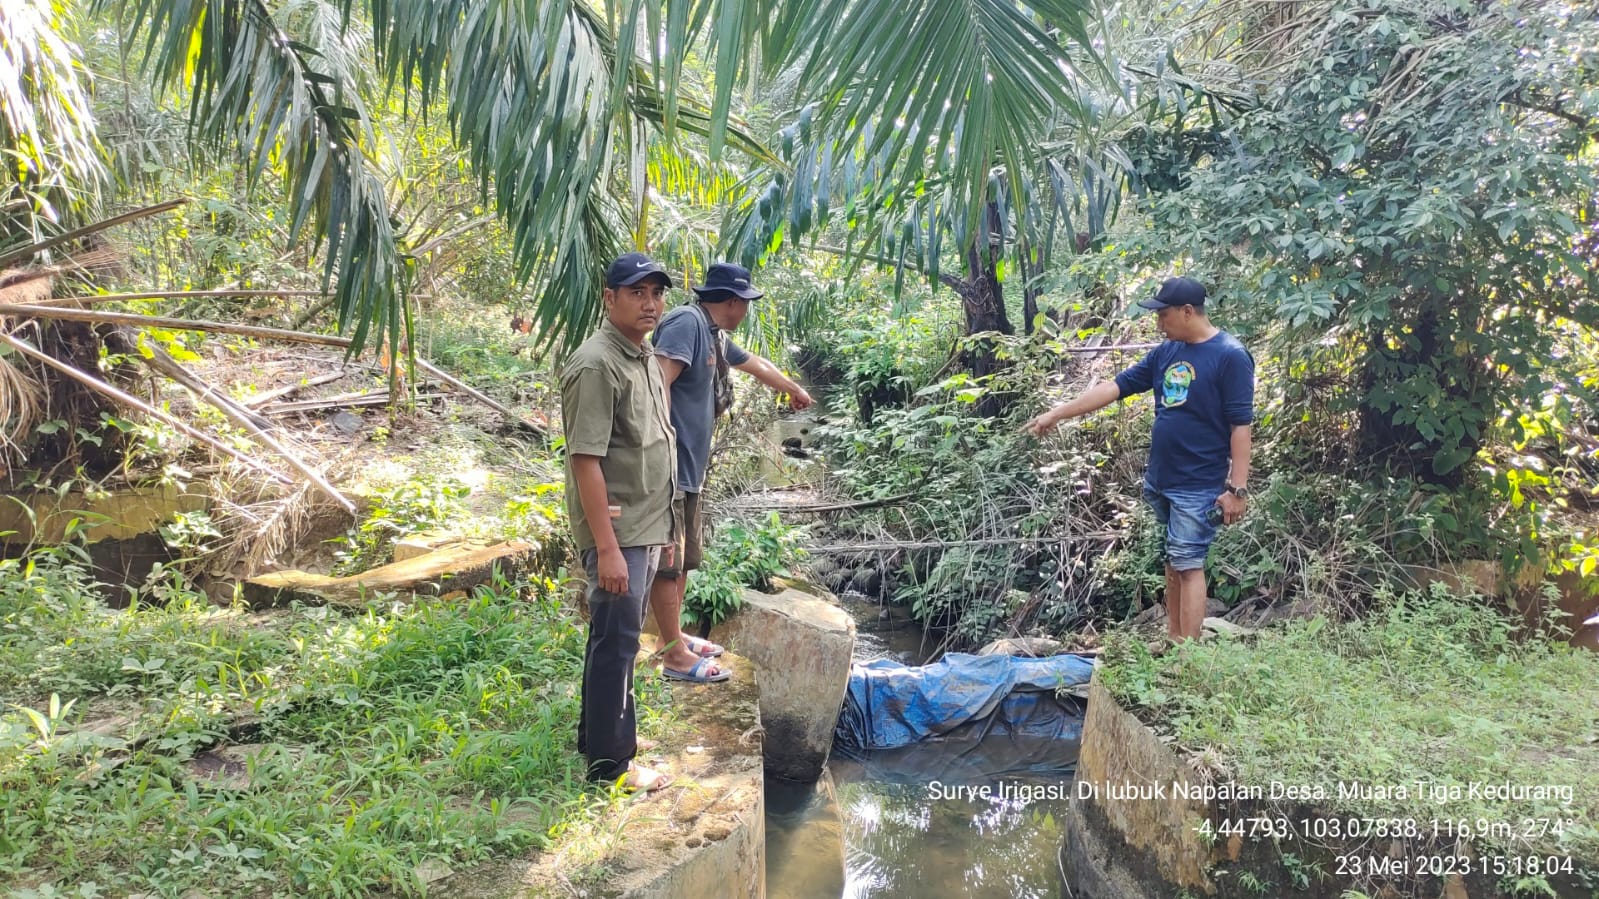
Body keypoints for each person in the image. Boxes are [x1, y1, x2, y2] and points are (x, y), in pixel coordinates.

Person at [1022, 277, 1255, 641]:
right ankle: (1174, 638)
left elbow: (1241, 426)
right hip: (1162, 479)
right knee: (1172, 563)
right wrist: (1058, 413)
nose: (1158, 324)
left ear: (1188, 312)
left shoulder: (1230, 355)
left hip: (1199, 482)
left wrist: (1236, 490)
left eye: (1163, 315)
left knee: (1189, 564)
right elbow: (1114, 388)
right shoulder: (1166, 353)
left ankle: (1187, 658)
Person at [647, 261, 814, 681]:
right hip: (670, 468)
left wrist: (792, 389)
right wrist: (660, 450)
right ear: (734, 302)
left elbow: (753, 363)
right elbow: (656, 385)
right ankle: (673, 657)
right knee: (668, 561)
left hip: (689, 470)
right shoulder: (687, 323)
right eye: (747, 303)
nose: (748, 310)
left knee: (682, 560)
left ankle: (677, 639)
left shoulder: (714, 335)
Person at [560, 251, 678, 791]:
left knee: (616, 637)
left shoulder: (643, 355)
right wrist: (606, 548)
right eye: (637, 292)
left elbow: (654, 447)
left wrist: (669, 528)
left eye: (656, 293)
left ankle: (603, 734)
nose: (650, 303)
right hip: (618, 529)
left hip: (647, 523)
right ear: (610, 299)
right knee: (617, 639)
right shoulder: (596, 364)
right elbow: (585, 460)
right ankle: (611, 768)